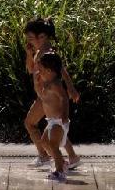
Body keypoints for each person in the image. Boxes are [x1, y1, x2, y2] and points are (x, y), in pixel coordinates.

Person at [23, 18, 82, 169]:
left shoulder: (48, 51)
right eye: (29, 38)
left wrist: (71, 88)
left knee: (30, 123)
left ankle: (45, 156)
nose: (32, 41)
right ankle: (72, 157)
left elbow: (62, 70)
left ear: (43, 36)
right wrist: (29, 53)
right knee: (55, 126)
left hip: (48, 95)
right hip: (43, 94)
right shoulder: (38, 51)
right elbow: (30, 70)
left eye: (33, 38)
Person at [35, 51, 70, 182]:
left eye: (41, 70)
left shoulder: (56, 84)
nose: (39, 72)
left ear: (49, 71)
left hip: (59, 121)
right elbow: (42, 97)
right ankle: (61, 161)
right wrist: (37, 84)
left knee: (53, 145)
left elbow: (65, 98)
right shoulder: (47, 84)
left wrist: (65, 115)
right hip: (51, 121)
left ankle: (60, 171)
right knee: (44, 142)